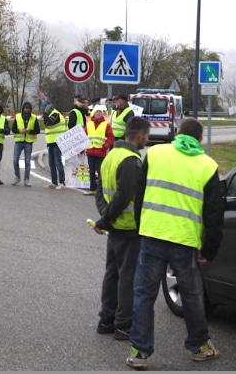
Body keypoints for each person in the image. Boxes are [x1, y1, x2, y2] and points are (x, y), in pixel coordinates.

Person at [126, 118, 224, 369]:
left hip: (153, 233)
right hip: (185, 241)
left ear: (177, 133)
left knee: (144, 294)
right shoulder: (208, 165)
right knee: (191, 295)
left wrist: (141, 226)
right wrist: (210, 248)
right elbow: (214, 214)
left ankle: (139, 352)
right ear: (200, 140)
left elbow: (139, 193)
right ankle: (200, 346)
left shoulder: (155, 153)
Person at [93, 116, 151, 341]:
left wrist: (103, 217)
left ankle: (106, 320)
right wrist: (105, 220)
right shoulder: (131, 160)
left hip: (114, 227)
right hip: (128, 228)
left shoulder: (112, 155)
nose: (147, 140)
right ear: (139, 136)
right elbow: (123, 197)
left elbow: (100, 189)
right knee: (127, 278)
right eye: (146, 136)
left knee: (112, 275)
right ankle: (123, 325)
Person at [83, 106, 115, 196]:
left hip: (100, 152)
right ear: (94, 113)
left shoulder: (106, 125)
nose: (98, 113)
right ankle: (92, 189)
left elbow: (111, 137)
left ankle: (101, 190)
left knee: (100, 172)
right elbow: (83, 137)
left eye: (100, 112)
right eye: (97, 112)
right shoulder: (89, 124)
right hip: (90, 151)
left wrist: (105, 147)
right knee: (91, 171)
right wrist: (81, 148)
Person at [11, 102, 40, 187]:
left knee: (27, 161)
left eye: (29, 108)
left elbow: (37, 130)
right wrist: (19, 130)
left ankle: (26, 179)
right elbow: (13, 129)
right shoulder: (18, 116)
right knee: (15, 160)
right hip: (19, 141)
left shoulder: (34, 117)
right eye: (26, 108)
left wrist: (29, 131)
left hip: (28, 142)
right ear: (23, 108)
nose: (27, 109)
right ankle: (17, 177)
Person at [41, 100, 67, 189]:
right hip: (51, 143)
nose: (43, 110)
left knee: (57, 162)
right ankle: (54, 182)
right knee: (51, 163)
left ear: (49, 106)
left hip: (57, 142)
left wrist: (45, 113)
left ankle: (62, 182)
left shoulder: (56, 114)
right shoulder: (48, 114)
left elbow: (48, 123)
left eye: (44, 108)